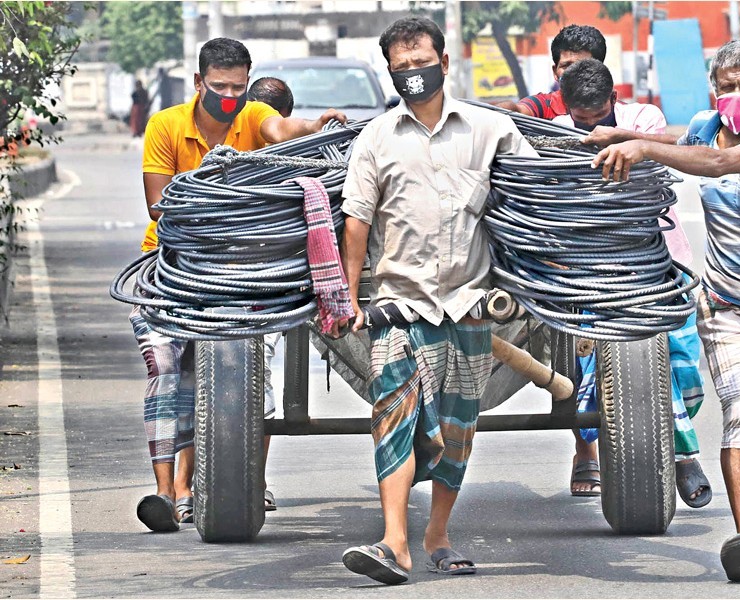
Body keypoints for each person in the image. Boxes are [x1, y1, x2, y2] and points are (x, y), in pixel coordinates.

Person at [586, 40, 740, 582]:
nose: (738, 95)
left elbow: (717, 163)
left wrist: (644, 151)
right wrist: (624, 135)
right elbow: (680, 138)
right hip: (727, 304)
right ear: (715, 89)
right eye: (729, 85)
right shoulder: (703, 124)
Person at [336, 16, 537, 585]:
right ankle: (394, 543)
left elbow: (531, 197)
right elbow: (356, 223)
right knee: (393, 422)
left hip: (469, 305)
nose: (413, 75)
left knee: (457, 429)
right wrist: (351, 298)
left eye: (421, 63)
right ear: (391, 75)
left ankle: (437, 535)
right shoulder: (375, 138)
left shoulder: (489, 130)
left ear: (444, 63)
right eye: (401, 69)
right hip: (398, 305)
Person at [133, 37, 345, 532]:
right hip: (170, 267)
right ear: (198, 83)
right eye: (219, 86)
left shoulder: (251, 118)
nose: (228, 96)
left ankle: (190, 489)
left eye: (237, 87)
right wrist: (226, 206)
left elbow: (281, 126)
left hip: (241, 273)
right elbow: (160, 208)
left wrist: (312, 127)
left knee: (219, 373)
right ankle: (166, 492)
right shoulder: (165, 126)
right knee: (168, 367)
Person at [554, 58, 711, 508]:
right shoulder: (554, 133)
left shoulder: (644, 120)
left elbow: (673, 144)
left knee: (679, 359)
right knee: (594, 364)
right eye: (581, 121)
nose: (590, 127)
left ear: (613, 101)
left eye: (598, 117)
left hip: (656, 260)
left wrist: (619, 138)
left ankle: (671, 444)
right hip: (588, 271)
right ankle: (684, 456)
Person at [246, 75, 298, 512]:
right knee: (251, 383)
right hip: (258, 287)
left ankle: (184, 490)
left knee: (193, 384)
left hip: (265, 288)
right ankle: (251, 482)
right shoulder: (293, 157)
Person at [496, 24, 606, 117]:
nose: (573, 73)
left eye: (582, 66)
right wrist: (499, 111)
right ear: (555, 72)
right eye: (566, 65)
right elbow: (518, 111)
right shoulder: (542, 107)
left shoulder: (619, 113)